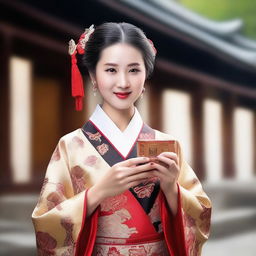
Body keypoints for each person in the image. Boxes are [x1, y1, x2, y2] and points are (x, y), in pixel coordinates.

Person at [31, 22, 211, 256]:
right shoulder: (71, 146)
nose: (123, 82)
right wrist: (99, 192)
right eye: (111, 70)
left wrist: (171, 189)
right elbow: (46, 222)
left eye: (134, 70)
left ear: (146, 76)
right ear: (93, 76)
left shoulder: (168, 144)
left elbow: (201, 215)